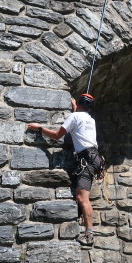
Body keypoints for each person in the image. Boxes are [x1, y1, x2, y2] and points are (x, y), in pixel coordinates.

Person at [27, 93, 101, 246]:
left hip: (86, 159)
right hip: (95, 158)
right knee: (82, 197)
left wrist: (39, 128)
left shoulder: (75, 117)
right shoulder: (90, 120)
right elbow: (79, 121)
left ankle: (89, 235)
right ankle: (88, 232)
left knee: (82, 198)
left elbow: (56, 136)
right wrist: (75, 109)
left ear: (79, 104)